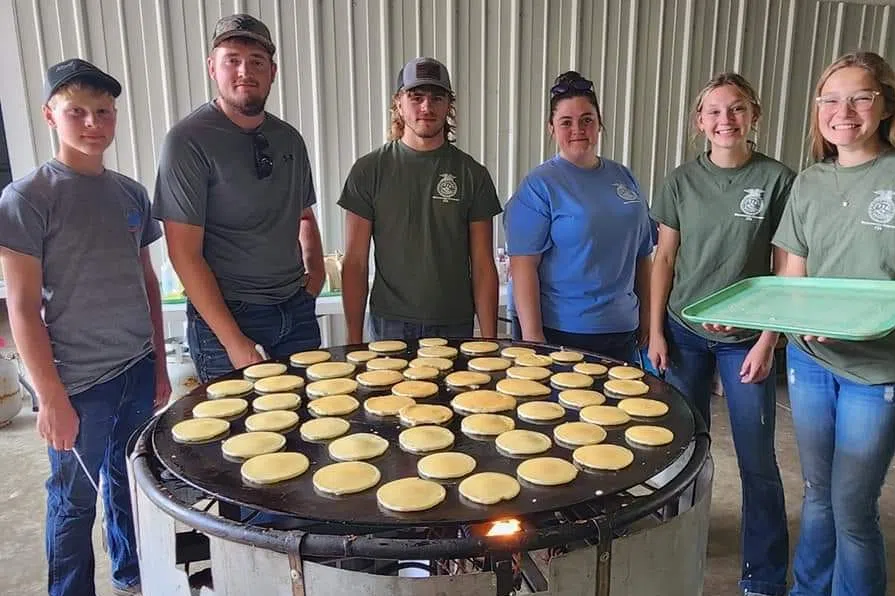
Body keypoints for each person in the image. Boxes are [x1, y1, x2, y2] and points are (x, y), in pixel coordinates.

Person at [773, 51, 895, 596]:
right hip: (811, 359)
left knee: (853, 506)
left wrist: (852, 328)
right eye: (830, 99)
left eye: (859, 97)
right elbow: (792, 280)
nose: (843, 111)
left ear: (885, 105)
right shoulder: (810, 182)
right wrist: (757, 320)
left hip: (878, 369)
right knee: (817, 494)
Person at [0, 58, 170, 596]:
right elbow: (22, 308)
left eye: (104, 112)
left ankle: (129, 570)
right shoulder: (27, 199)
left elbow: (147, 283)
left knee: (129, 479)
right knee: (75, 498)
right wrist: (50, 398)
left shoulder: (129, 194)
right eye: (78, 112)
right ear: (51, 115)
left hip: (137, 368)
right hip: (77, 382)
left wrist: (161, 366)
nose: (93, 123)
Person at [647, 72, 794, 596]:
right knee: (683, 452)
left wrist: (768, 340)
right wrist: (655, 328)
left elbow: (786, 268)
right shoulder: (681, 181)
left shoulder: (779, 180)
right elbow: (664, 258)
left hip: (745, 343)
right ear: (699, 122)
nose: (725, 120)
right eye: (713, 111)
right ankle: (683, 546)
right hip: (684, 336)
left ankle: (764, 578)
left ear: (754, 115)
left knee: (757, 460)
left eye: (736, 110)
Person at [154, 13, 325, 381]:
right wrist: (234, 341)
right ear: (212, 68)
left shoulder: (289, 139)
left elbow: (304, 214)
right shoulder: (188, 141)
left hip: (295, 310)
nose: (245, 71)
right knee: (235, 433)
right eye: (232, 60)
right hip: (229, 317)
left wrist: (316, 276)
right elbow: (183, 253)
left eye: (256, 61)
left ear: (272, 72)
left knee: (309, 424)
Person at [338, 57, 501, 343]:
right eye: (416, 97)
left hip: (454, 323)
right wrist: (353, 340)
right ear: (398, 103)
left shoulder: (473, 174)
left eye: (437, 98)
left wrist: (489, 341)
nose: (426, 107)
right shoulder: (368, 171)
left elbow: (484, 264)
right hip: (390, 324)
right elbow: (355, 263)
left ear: (448, 106)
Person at [505, 70, 654, 361]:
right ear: (551, 128)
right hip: (563, 333)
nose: (578, 129)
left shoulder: (623, 177)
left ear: (599, 123)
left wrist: (648, 318)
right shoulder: (540, 185)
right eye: (566, 122)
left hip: (623, 327)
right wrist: (533, 338)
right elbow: (523, 266)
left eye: (587, 119)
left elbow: (642, 255)